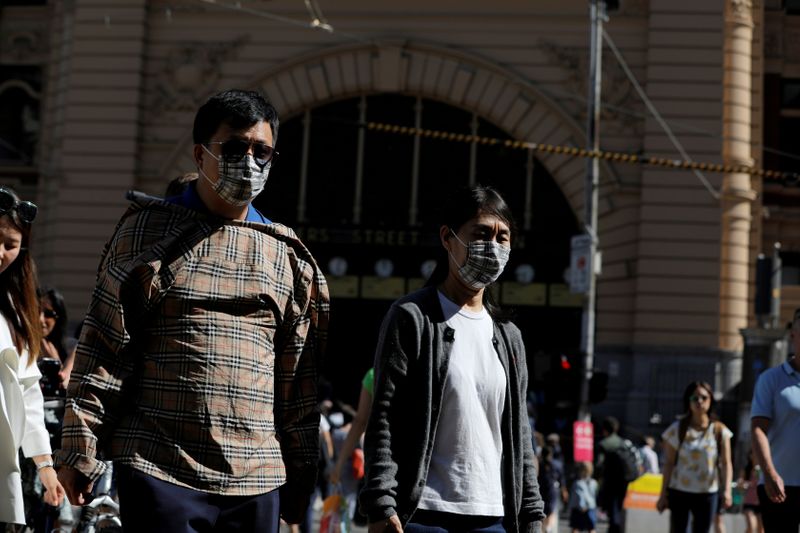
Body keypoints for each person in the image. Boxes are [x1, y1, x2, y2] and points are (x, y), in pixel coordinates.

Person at [55, 89, 330, 532]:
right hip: (158, 470)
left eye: (261, 151)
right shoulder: (146, 233)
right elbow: (104, 347)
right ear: (201, 154)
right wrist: (78, 451)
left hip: (256, 478)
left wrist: (300, 476)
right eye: (235, 148)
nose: (249, 161)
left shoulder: (288, 256)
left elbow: (296, 381)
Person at [359, 185, 545, 533]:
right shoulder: (412, 317)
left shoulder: (510, 337)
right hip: (423, 514)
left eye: (502, 237)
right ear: (447, 238)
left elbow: (521, 434)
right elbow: (383, 415)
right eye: (481, 233)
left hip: (494, 517)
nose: (492, 247)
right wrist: (381, 501)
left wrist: (532, 513)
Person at [0, 186, 66, 527]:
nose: (0, 253)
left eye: (11, 245)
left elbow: (28, 394)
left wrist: (45, 466)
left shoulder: (16, 312)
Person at [656, 381, 733, 533]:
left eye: (704, 398)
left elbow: (726, 463)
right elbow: (669, 463)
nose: (699, 402)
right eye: (694, 398)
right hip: (680, 491)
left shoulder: (719, 430)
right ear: (688, 401)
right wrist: (662, 494)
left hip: (708, 492)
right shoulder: (677, 428)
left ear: (710, 400)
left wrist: (727, 491)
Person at [750, 307, 800, 532]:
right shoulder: (771, 379)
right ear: (793, 335)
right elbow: (758, 429)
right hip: (780, 484)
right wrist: (769, 474)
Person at [595, 416, 638, 533]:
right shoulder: (623, 442)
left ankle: (614, 528)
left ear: (604, 429)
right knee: (619, 508)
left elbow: (599, 465)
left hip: (611, 483)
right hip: (625, 481)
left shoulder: (604, 444)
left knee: (612, 511)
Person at [537, 445, 566, 533]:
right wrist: (564, 491)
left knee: (542, 511)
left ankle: (543, 529)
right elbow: (561, 480)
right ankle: (548, 528)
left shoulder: (539, 464)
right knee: (551, 511)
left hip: (541, 490)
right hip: (552, 490)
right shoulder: (557, 464)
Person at [738, 449, 763, 533]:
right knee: (751, 527)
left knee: (761, 530)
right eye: (754, 454)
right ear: (750, 456)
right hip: (749, 502)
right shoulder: (746, 470)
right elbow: (740, 486)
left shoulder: (764, 469)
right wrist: (742, 484)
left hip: (761, 502)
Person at [568, 462, 598, 533]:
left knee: (575, 528)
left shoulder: (577, 483)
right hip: (591, 507)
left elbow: (578, 496)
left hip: (578, 508)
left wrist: (581, 506)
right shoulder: (594, 482)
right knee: (591, 528)